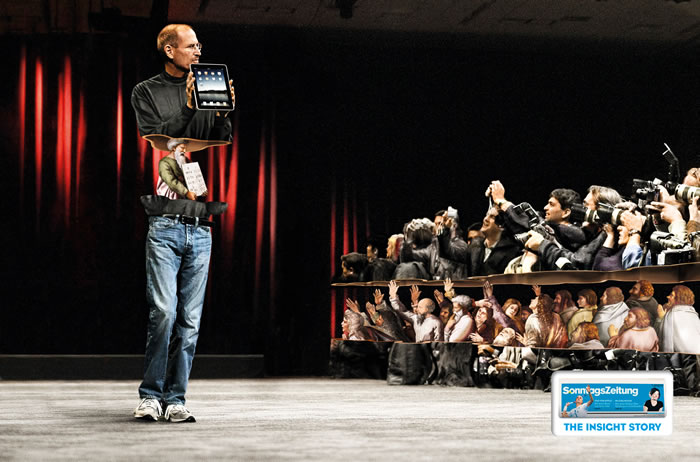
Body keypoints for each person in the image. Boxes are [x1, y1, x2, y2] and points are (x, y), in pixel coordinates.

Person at [131, 24, 234, 423]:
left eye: (199, 45)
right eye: (191, 46)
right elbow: (162, 140)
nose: (198, 51)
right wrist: (191, 111)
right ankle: (150, 395)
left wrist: (220, 113)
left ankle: (176, 398)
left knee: (190, 322)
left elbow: (221, 140)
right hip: (164, 223)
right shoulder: (147, 92)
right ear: (170, 50)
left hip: (200, 226)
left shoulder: (205, 89)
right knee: (163, 313)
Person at [656, 285, 700, 353]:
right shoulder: (693, 314)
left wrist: (660, 318)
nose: (668, 297)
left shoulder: (672, 314)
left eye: (671, 295)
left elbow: (665, 342)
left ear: (679, 298)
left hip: (683, 357)